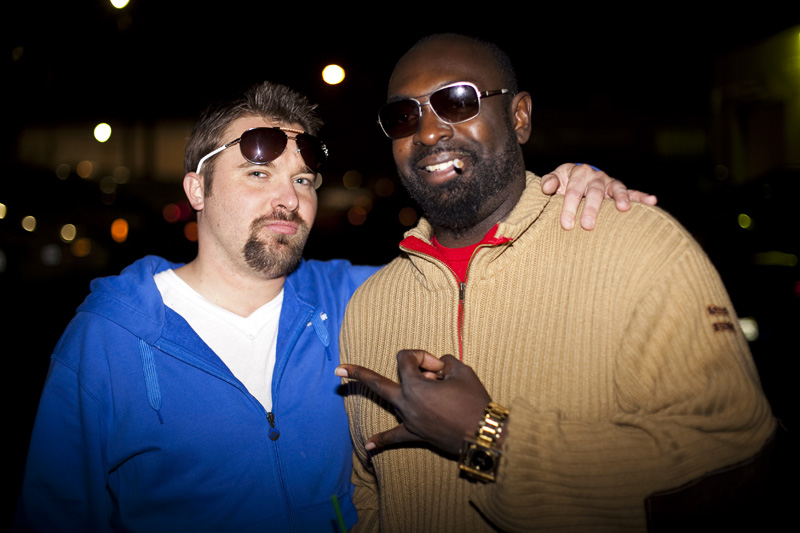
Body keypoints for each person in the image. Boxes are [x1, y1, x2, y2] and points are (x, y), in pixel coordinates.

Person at [15, 79, 643, 532]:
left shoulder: (352, 301)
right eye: (258, 175)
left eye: (303, 180)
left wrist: (558, 195)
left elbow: (476, 270)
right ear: (196, 190)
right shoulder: (108, 339)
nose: (289, 199)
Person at [337, 34, 776, 531]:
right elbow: (368, 495)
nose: (429, 131)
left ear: (519, 116)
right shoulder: (370, 305)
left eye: (457, 101)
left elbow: (736, 459)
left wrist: (490, 438)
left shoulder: (638, 246)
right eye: (404, 116)